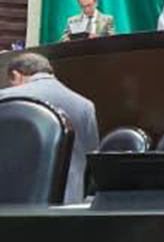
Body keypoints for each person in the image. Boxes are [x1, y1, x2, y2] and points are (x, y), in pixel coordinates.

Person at [1, 53, 99, 204]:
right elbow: (91, 154)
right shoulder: (86, 106)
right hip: (69, 204)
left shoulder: (4, 97)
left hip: (13, 204)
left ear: (15, 75)